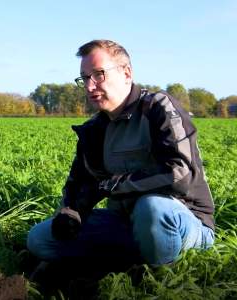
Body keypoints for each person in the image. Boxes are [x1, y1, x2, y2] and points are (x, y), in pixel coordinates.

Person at [27, 39, 215, 284]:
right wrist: (71, 213)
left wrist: (111, 185)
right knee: (40, 238)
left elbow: (179, 175)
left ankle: (157, 281)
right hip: (125, 224)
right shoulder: (94, 130)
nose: (90, 86)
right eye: (84, 78)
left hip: (183, 222)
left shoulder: (157, 108)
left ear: (126, 73)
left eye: (99, 75)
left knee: (152, 208)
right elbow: (79, 185)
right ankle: (125, 265)